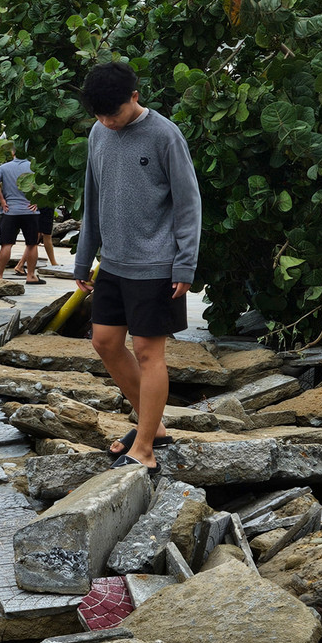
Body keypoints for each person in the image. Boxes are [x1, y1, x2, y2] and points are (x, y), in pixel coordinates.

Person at [74, 62, 201, 472]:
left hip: (156, 263)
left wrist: (185, 264)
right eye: (99, 115)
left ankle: (145, 448)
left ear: (135, 96)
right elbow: (93, 199)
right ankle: (154, 427)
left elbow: (188, 203)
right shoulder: (98, 133)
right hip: (112, 262)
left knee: (148, 353)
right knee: (105, 343)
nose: (107, 122)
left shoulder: (165, 135)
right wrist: (83, 258)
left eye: (113, 114)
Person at [0, 143, 42, 284]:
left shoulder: (4, 167)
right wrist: (37, 200)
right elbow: (44, 184)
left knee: (6, 244)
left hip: (10, 211)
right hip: (30, 211)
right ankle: (31, 276)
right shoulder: (33, 167)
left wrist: (2, 200)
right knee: (32, 244)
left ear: (13, 153)